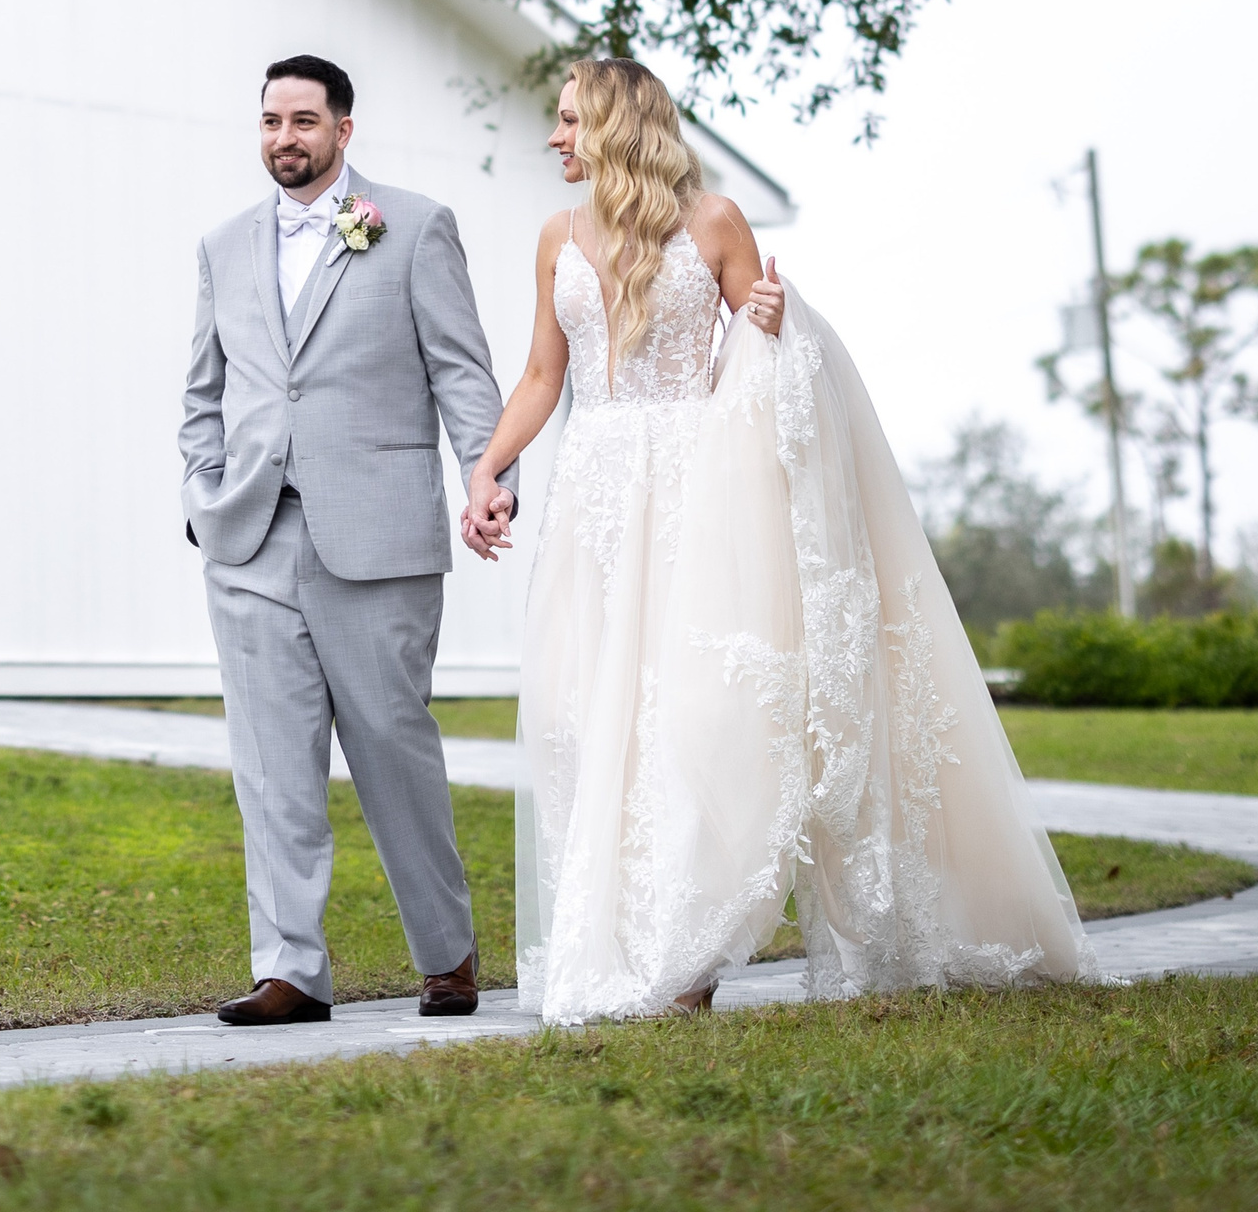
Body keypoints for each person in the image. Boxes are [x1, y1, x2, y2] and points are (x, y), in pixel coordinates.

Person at [463, 57, 1092, 1023]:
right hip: (593, 494)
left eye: (569, 120)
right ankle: (620, 939)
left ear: (621, 126)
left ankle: (690, 957)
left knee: (694, 712)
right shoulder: (556, 237)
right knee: (588, 716)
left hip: (701, 489)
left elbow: (774, 353)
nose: (555, 137)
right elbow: (544, 377)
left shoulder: (713, 223)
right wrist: (488, 470)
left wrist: (773, 318)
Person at [181, 53, 514, 1026]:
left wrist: (488, 477)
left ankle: (444, 954)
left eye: (303, 121)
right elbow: (202, 391)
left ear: (343, 129)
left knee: (392, 747)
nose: (284, 138)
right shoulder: (221, 244)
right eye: (270, 122)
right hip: (247, 538)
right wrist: (200, 496)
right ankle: (291, 968)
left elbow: (463, 371)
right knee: (271, 762)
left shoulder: (411, 225)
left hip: (377, 540)